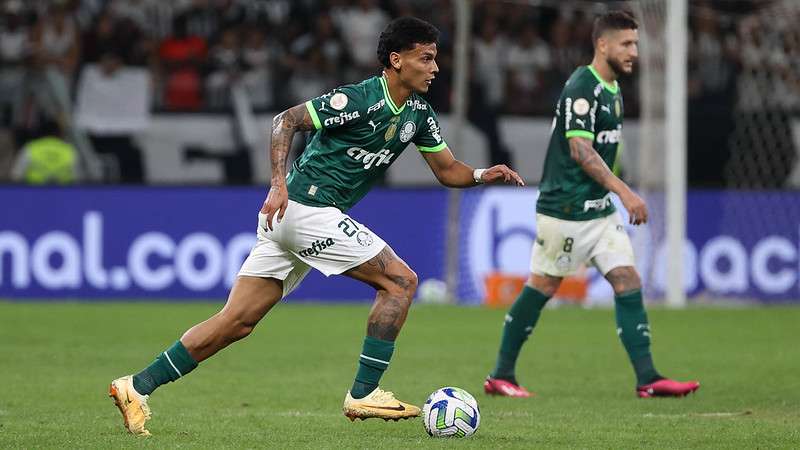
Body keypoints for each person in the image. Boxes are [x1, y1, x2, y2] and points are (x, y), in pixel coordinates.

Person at [109, 17, 524, 436]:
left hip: (295, 220)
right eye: (427, 58)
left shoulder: (418, 113)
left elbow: (447, 169)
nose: (435, 68)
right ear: (397, 60)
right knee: (400, 281)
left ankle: (136, 387)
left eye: (436, 59)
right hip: (306, 209)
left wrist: (481, 175)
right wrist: (277, 184)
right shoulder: (359, 99)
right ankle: (365, 392)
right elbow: (284, 121)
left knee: (236, 322)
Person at [483, 11, 700, 399]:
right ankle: (501, 375)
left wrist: (613, 192)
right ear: (603, 45)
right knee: (544, 285)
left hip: (598, 210)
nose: (634, 52)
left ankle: (648, 379)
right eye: (626, 44)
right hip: (564, 209)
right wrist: (625, 191)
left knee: (626, 279)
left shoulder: (612, 88)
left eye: (635, 43)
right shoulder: (583, 86)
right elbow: (581, 151)